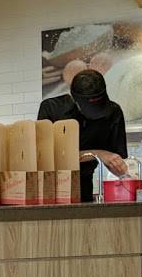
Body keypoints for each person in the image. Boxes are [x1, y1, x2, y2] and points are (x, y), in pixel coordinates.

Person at [38, 69, 128, 202]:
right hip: (53, 187)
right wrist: (98, 154)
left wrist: (121, 170)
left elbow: (115, 159)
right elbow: (48, 157)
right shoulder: (51, 108)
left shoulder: (113, 112)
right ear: (73, 98)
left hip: (85, 186)